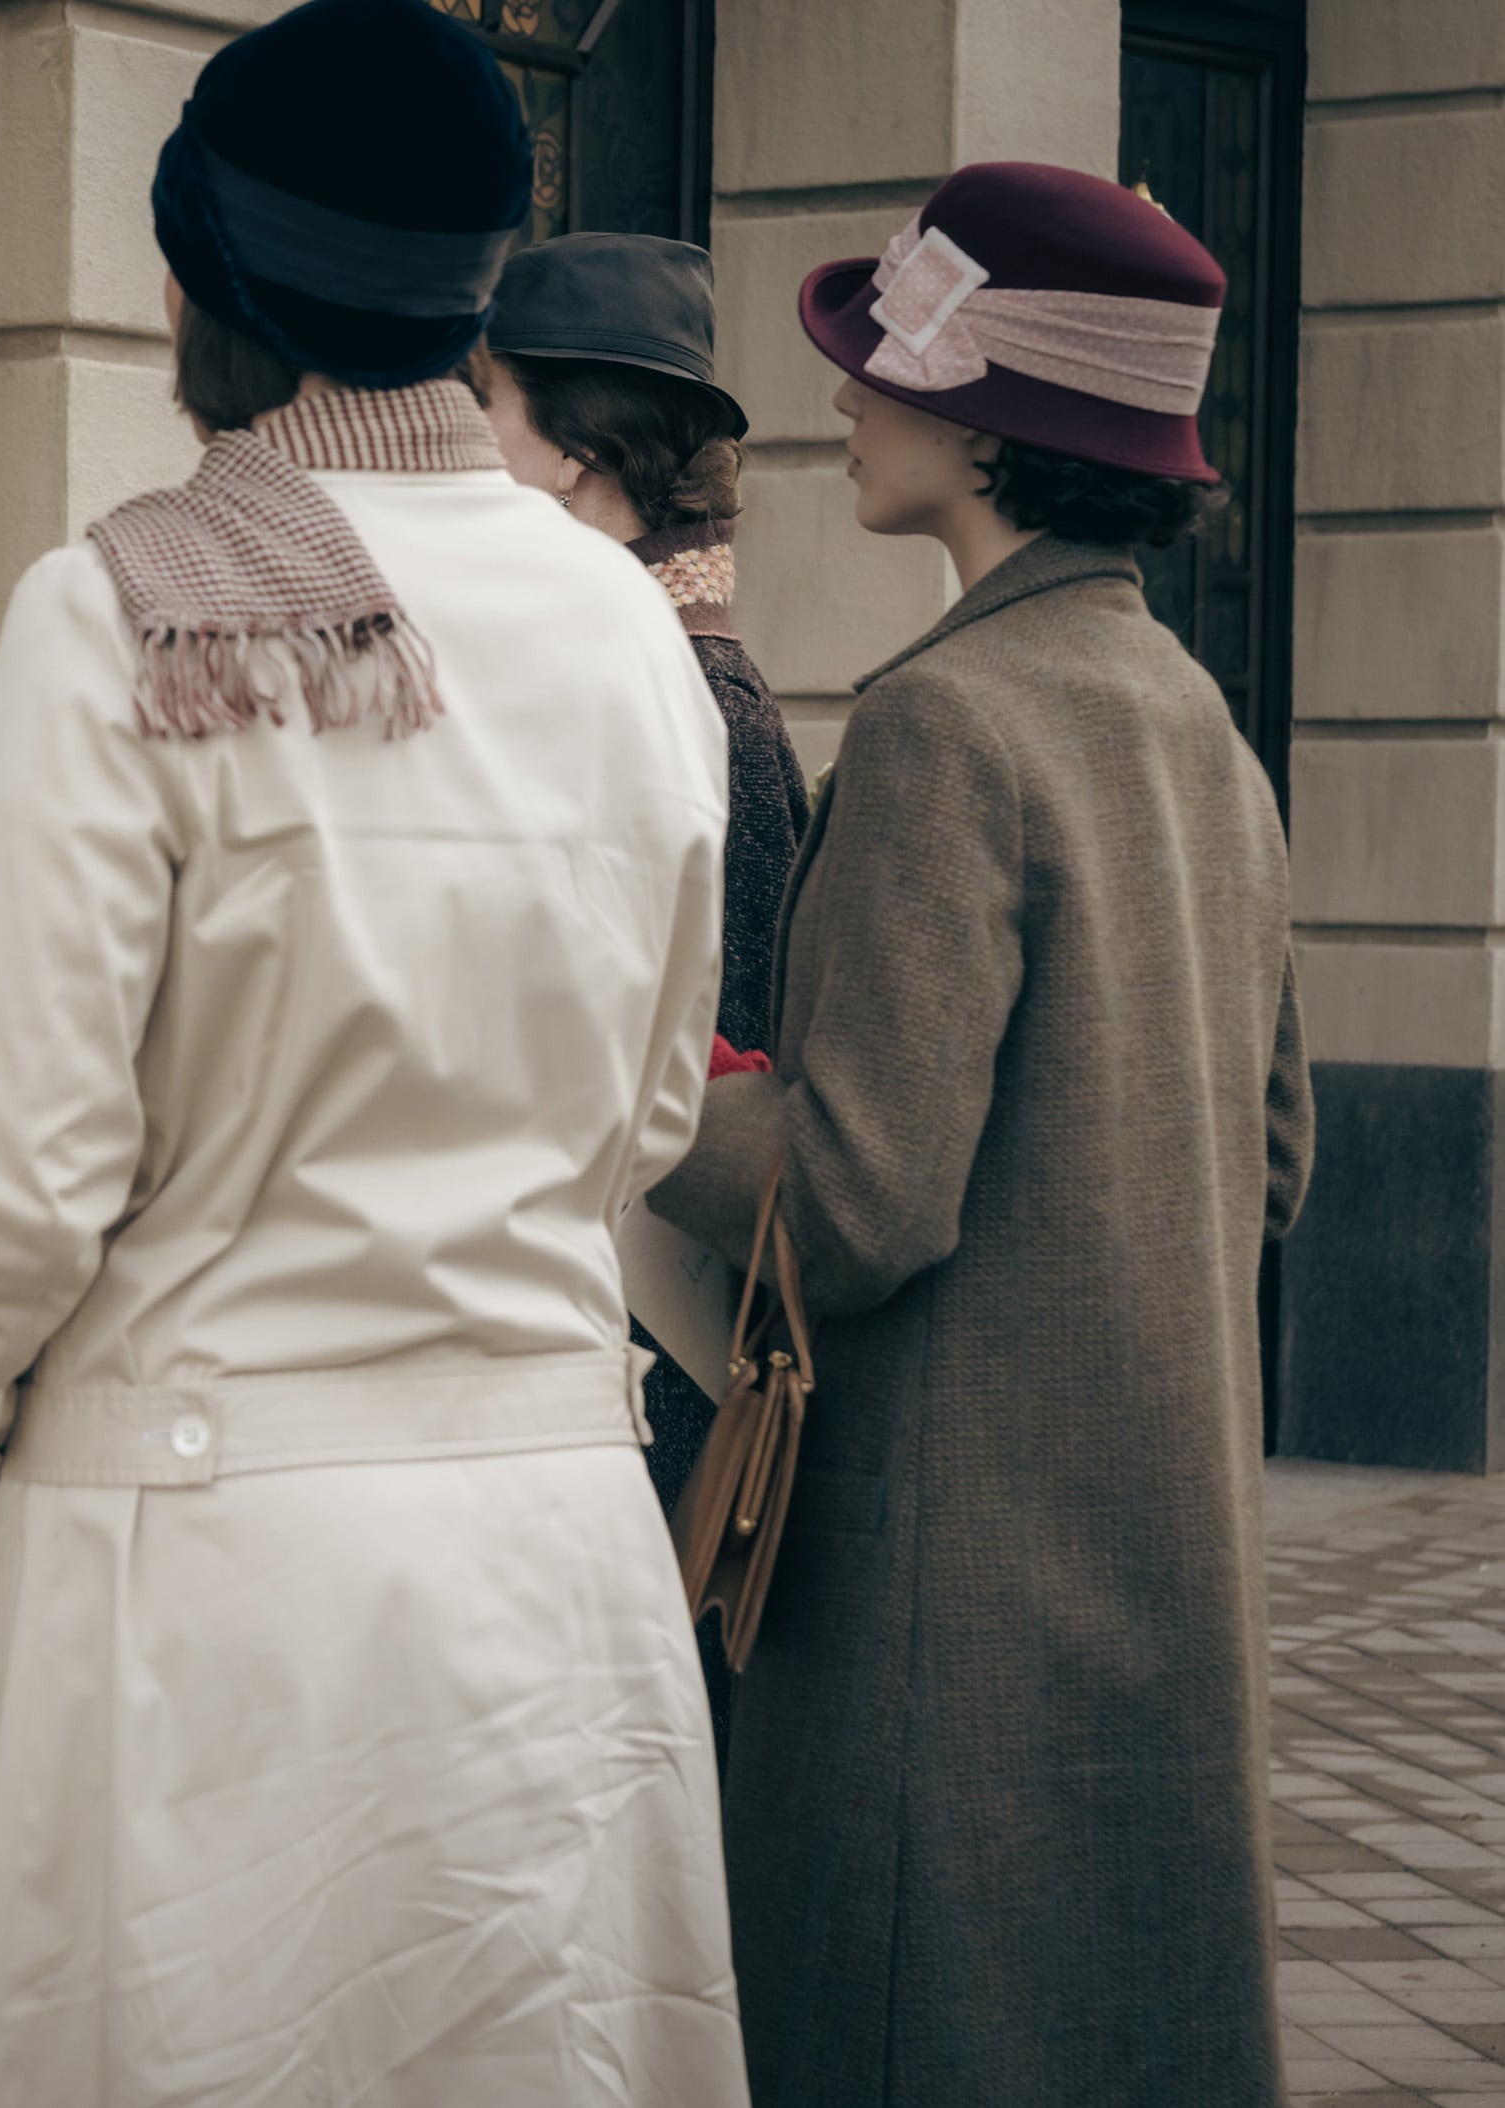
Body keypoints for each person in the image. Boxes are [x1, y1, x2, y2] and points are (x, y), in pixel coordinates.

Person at [0, 4, 746, 2100]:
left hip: (206, 1537)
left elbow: (10, 1158)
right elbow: (651, 1107)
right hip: (545, 1532)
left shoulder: (122, 608)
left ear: (202, 281)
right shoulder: (625, 621)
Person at [643, 162, 1313, 2107]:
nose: (837, 394)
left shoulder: (945, 722)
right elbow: (1267, 1161)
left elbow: (848, 1199)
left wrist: (640, 1076)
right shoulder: (1192, 720)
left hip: (933, 1595)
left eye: (880, 363)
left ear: (989, 417)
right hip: (1149, 1566)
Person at [481, 231, 810, 1735]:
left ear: (575, 457)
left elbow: (715, 1066)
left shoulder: (700, 711)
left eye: (488, 401)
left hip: (651, 1360)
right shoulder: (638, 669)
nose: (462, 435)